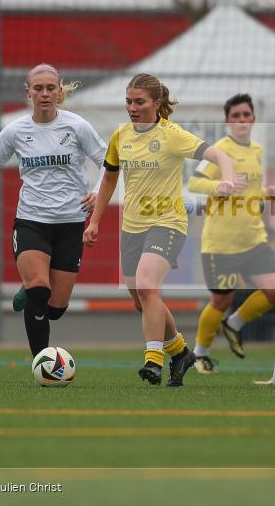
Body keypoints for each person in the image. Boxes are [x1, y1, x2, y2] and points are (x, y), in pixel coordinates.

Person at [83, 73, 235, 387]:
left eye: (139, 102)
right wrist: (95, 221)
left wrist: (227, 179)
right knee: (142, 300)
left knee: (147, 287)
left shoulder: (172, 135)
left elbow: (219, 155)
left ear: (156, 103)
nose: (132, 108)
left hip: (168, 223)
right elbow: (109, 177)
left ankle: (153, 360)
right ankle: (180, 353)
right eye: (128, 101)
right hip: (132, 227)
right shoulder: (121, 135)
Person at [0, 63, 107, 358]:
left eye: (50, 88)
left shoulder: (77, 126)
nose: (45, 93)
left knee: (55, 308)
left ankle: (33, 290)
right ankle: (42, 362)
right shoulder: (16, 130)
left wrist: (98, 192)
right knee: (38, 287)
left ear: (59, 92)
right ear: (28, 92)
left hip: (71, 222)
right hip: (31, 220)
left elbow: (108, 163)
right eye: (38, 88)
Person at [186, 94, 275, 372]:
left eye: (246, 115)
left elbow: (248, 191)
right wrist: (219, 186)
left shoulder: (257, 151)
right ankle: (200, 354)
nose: (242, 120)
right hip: (221, 243)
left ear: (253, 119)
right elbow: (194, 182)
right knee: (221, 300)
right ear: (228, 121)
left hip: (254, 239)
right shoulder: (219, 150)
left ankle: (234, 324)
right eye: (236, 116)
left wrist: (266, 193)